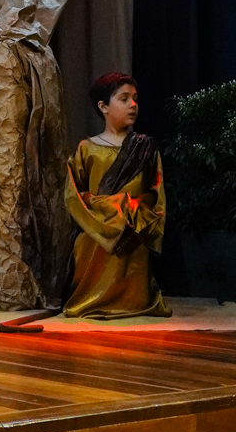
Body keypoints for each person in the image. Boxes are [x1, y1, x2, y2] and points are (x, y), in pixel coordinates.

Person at [63, 73, 170, 319]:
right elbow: (74, 194)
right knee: (87, 240)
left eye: (135, 99)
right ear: (103, 107)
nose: (133, 105)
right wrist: (110, 208)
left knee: (133, 235)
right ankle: (89, 298)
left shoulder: (146, 148)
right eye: (124, 99)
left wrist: (132, 209)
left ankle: (134, 299)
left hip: (134, 225)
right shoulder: (86, 148)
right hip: (96, 227)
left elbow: (156, 192)